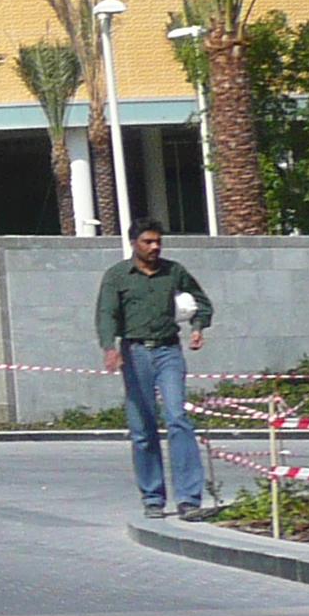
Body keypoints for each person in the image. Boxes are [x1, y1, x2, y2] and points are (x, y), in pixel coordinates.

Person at [97, 220, 214, 518]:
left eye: (158, 241)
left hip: (168, 351)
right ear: (134, 243)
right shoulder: (117, 276)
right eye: (148, 241)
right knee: (142, 427)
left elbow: (201, 302)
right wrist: (110, 348)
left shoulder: (173, 271)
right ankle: (152, 497)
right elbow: (106, 313)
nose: (155, 247)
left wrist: (197, 327)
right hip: (135, 353)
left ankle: (189, 498)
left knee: (177, 418)